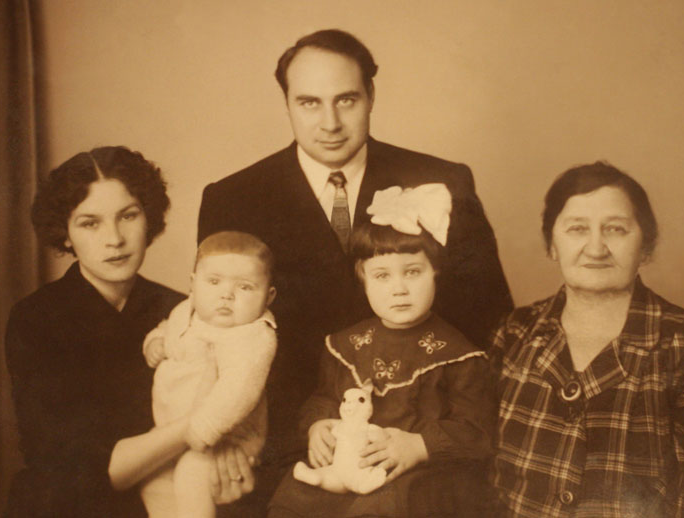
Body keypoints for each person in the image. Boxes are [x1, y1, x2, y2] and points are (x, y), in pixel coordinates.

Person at [197, 29, 512, 503]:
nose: (330, 123)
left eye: (346, 100)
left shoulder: (440, 182)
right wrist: (223, 436)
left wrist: (427, 443)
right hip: (288, 443)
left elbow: (491, 322)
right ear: (287, 103)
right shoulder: (233, 197)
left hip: (423, 448)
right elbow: (214, 333)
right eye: (309, 103)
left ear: (371, 96)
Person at [4, 147, 259, 517]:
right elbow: (77, 468)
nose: (114, 238)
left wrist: (232, 457)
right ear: (65, 233)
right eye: (90, 223)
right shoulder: (36, 319)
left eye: (128, 216)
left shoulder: (182, 310)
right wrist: (200, 427)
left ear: (148, 217)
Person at [489, 162, 684, 517]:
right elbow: (478, 469)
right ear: (552, 245)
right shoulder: (515, 333)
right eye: (577, 229)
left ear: (646, 247)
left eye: (615, 229)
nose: (596, 248)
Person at [268, 184, 494, 517]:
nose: (399, 289)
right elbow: (325, 397)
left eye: (413, 272)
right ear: (363, 278)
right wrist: (319, 427)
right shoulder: (346, 345)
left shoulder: (458, 355)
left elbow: (477, 431)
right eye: (382, 276)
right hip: (351, 463)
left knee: (384, 505)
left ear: (435, 272)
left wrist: (419, 446)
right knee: (296, 495)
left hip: (421, 475)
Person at [139, 231, 278, 518]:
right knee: (153, 480)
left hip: (223, 439)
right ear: (192, 285)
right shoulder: (187, 311)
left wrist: (203, 431)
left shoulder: (253, 336)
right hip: (173, 430)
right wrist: (155, 342)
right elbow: (168, 329)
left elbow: (239, 390)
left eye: (245, 287)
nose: (226, 295)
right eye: (214, 282)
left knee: (193, 475)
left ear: (268, 296)